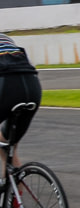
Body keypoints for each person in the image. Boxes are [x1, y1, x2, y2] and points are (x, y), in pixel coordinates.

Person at [0, 34, 42, 180]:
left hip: (5, 84)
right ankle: (15, 198)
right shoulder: (6, 38)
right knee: (9, 145)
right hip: (32, 87)